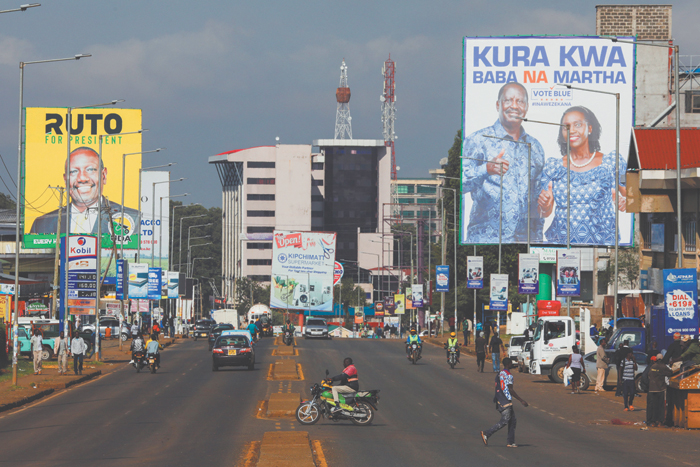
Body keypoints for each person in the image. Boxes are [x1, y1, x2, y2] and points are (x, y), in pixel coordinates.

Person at [462, 82, 545, 243]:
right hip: (486, 241)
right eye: (508, 100)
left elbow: (537, 200)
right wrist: (486, 168)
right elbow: (459, 184)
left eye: (520, 101)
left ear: (526, 107)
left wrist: (546, 205)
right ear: (498, 105)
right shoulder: (478, 140)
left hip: (525, 243)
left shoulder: (535, 147)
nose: (514, 106)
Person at [537, 106, 627, 245]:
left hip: (601, 246)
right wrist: (545, 205)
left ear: (590, 128)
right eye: (566, 126)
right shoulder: (553, 166)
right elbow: (545, 212)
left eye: (577, 125)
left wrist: (625, 202)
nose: (571, 130)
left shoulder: (611, 163)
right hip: (561, 246)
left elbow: (632, 196)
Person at [30, 146, 139, 235]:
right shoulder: (42, 224)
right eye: (73, 171)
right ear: (65, 180)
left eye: (90, 169)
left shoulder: (133, 219)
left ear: (104, 175)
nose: (82, 178)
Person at [481, 358, 529, 448]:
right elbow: (510, 389)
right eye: (511, 363)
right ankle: (487, 433)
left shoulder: (500, 373)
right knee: (505, 420)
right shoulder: (508, 375)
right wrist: (521, 400)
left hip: (500, 398)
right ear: (509, 364)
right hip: (505, 400)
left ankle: (510, 442)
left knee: (512, 420)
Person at [647, 353, 673, 427]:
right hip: (661, 389)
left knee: (652, 406)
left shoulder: (653, 366)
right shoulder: (663, 366)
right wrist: (662, 373)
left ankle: (652, 421)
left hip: (652, 389)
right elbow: (670, 373)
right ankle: (660, 421)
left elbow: (649, 375)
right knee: (661, 406)